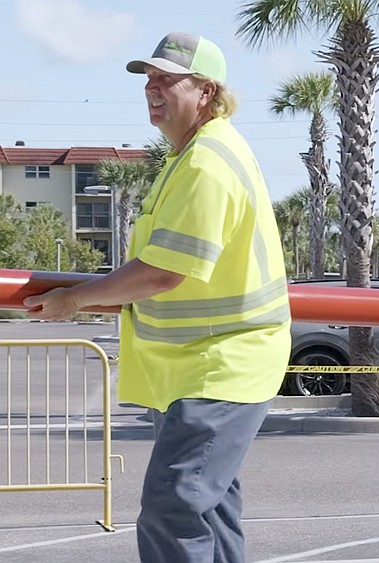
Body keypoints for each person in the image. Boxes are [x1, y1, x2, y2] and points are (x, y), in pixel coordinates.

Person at [24, 32, 290, 563]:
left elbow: (164, 271)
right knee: (208, 511)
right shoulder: (189, 155)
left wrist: (72, 301)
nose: (153, 90)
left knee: (175, 508)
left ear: (207, 91)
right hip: (199, 368)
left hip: (222, 366)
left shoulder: (206, 161)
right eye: (149, 81)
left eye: (168, 80)